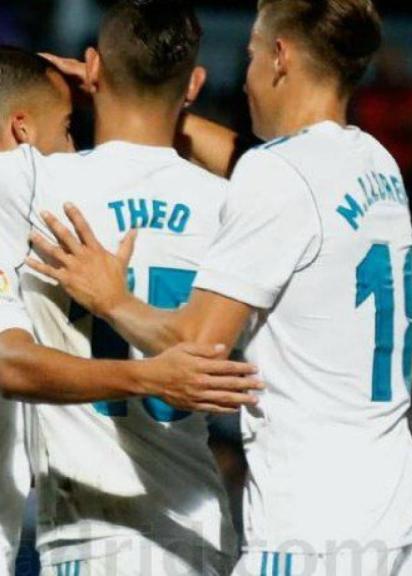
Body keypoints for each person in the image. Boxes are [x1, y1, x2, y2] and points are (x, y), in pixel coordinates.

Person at [31, 1, 412, 573]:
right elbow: (273, 174)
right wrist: (138, 93)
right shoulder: (375, 160)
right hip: (402, 519)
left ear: (280, 57)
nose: (243, 79)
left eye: (249, 56)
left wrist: (111, 297)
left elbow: (195, 350)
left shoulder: (277, 175)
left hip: (311, 529)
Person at [0, 3, 269, 573]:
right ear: (194, 83)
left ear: (92, 68)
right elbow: (287, 170)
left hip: (91, 538)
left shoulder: (34, 182)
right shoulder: (241, 204)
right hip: (198, 532)